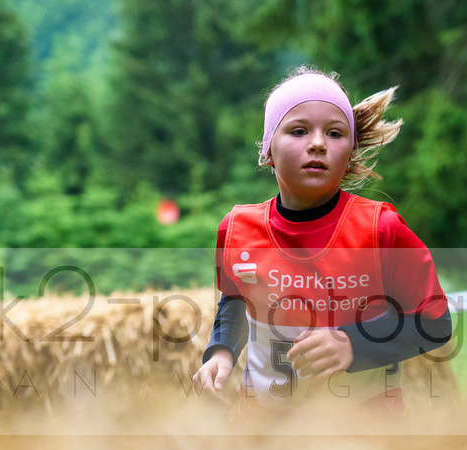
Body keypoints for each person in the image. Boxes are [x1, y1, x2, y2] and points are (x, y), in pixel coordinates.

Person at [192, 66, 451, 414]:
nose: (317, 143)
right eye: (299, 131)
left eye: (334, 133)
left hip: (367, 443)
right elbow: (236, 301)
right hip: (261, 434)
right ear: (268, 150)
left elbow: (435, 323)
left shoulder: (382, 229)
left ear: (349, 155)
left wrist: (352, 345)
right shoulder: (237, 228)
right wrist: (221, 353)